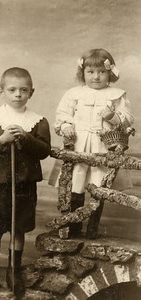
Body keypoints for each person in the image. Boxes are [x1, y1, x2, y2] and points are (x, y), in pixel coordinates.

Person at [0, 67, 51, 295]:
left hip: (24, 186)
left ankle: (14, 269)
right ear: (1, 91)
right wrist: (2, 139)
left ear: (32, 92)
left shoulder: (38, 121)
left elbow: (44, 151)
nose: (18, 94)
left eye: (23, 90)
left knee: (18, 229)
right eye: (12, 90)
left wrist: (26, 138)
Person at [54, 48, 134, 239]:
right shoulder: (74, 94)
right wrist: (66, 126)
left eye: (101, 72)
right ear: (82, 73)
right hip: (80, 143)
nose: (96, 77)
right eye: (90, 72)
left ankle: (92, 226)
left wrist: (113, 117)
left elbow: (127, 119)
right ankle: (74, 225)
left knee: (99, 183)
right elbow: (62, 115)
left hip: (102, 145)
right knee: (76, 181)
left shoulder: (117, 95)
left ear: (110, 73)